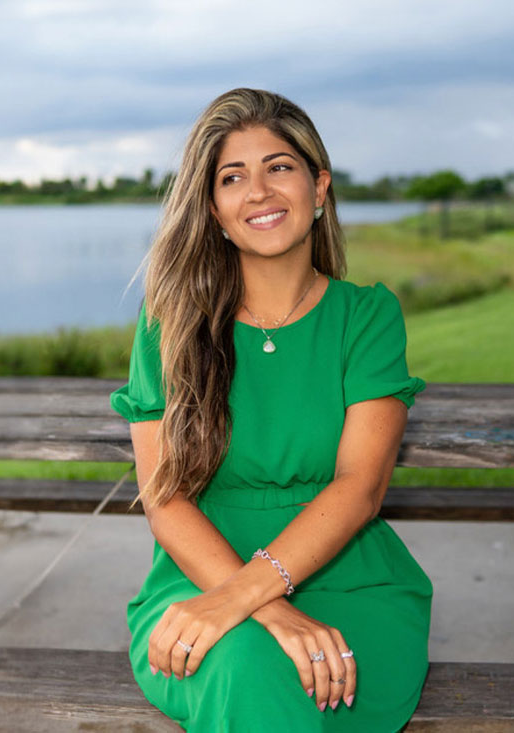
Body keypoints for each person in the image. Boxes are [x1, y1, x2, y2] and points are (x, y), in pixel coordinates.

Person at [109, 87, 432, 732]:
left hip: (349, 575)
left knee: (315, 675)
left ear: (319, 189)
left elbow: (359, 488)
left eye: (278, 167)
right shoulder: (170, 325)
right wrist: (259, 606)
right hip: (199, 578)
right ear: (215, 210)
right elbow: (165, 498)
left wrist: (250, 596)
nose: (258, 191)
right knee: (249, 667)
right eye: (233, 177)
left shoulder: (365, 317)